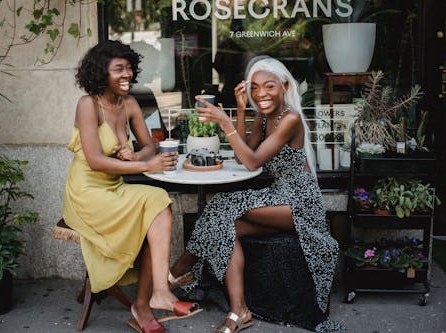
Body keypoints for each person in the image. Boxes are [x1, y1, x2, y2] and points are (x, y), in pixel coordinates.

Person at [169, 56, 342, 332]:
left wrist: (225, 123)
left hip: (299, 202)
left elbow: (251, 162)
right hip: (278, 195)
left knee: (222, 205)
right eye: (256, 88)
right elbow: (244, 155)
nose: (261, 94)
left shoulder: (290, 119)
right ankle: (239, 311)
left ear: (284, 86)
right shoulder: (266, 115)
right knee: (225, 225)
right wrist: (239, 111)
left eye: (269, 86)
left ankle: (180, 268)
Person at [61, 40, 201, 333]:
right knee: (153, 206)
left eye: (129, 68)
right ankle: (151, 298)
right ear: (101, 72)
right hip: (87, 193)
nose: (127, 74)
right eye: (118, 69)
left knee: (158, 202)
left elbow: (150, 145)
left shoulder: (130, 104)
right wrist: (145, 165)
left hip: (114, 188)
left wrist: (138, 155)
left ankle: (153, 296)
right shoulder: (89, 105)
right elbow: (96, 161)